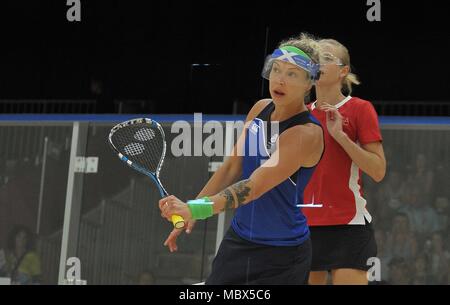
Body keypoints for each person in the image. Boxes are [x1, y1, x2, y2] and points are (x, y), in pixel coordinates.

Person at [159, 33, 324, 284]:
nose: (279, 79)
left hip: (282, 255)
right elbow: (232, 167)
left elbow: (253, 187)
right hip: (239, 241)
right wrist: (192, 209)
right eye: (276, 70)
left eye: (292, 74)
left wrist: (195, 209)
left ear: (308, 83)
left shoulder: (305, 134)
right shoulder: (259, 109)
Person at [303, 38, 387, 285]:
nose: (319, 61)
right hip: (304, 225)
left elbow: (378, 170)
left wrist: (341, 137)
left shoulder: (360, 109)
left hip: (348, 225)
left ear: (343, 71)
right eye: (315, 57)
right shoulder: (299, 113)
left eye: (327, 58)